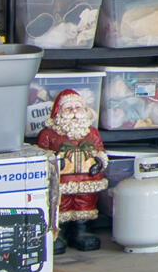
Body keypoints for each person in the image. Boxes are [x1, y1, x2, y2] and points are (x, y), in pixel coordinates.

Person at [36, 89, 107, 252]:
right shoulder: (48, 134)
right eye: (69, 109)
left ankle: (81, 231)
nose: (74, 112)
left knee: (85, 202)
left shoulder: (92, 133)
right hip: (62, 181)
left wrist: (98, 162)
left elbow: (100, 151)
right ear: (59, 111)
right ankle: (58, 232)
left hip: (86, 180)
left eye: (78, 108)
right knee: (60, 204)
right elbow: (41, 155)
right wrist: (54, 164)